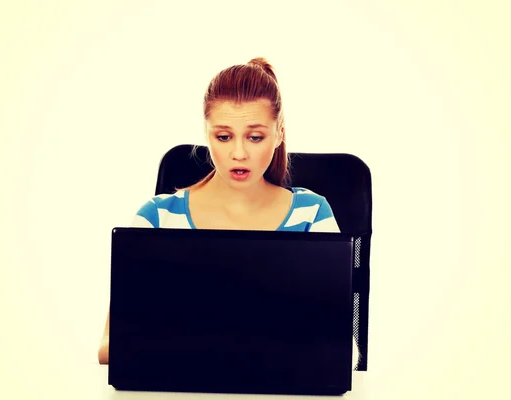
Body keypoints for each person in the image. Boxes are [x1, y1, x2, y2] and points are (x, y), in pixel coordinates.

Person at [98, 57, 360, 369]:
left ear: (278, 134)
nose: (239, 153)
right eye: (224, 137)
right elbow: (109, 347)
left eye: (255, 137)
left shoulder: (312, 214)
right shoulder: (156, 218)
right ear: (207, 134)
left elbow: (345, 351)